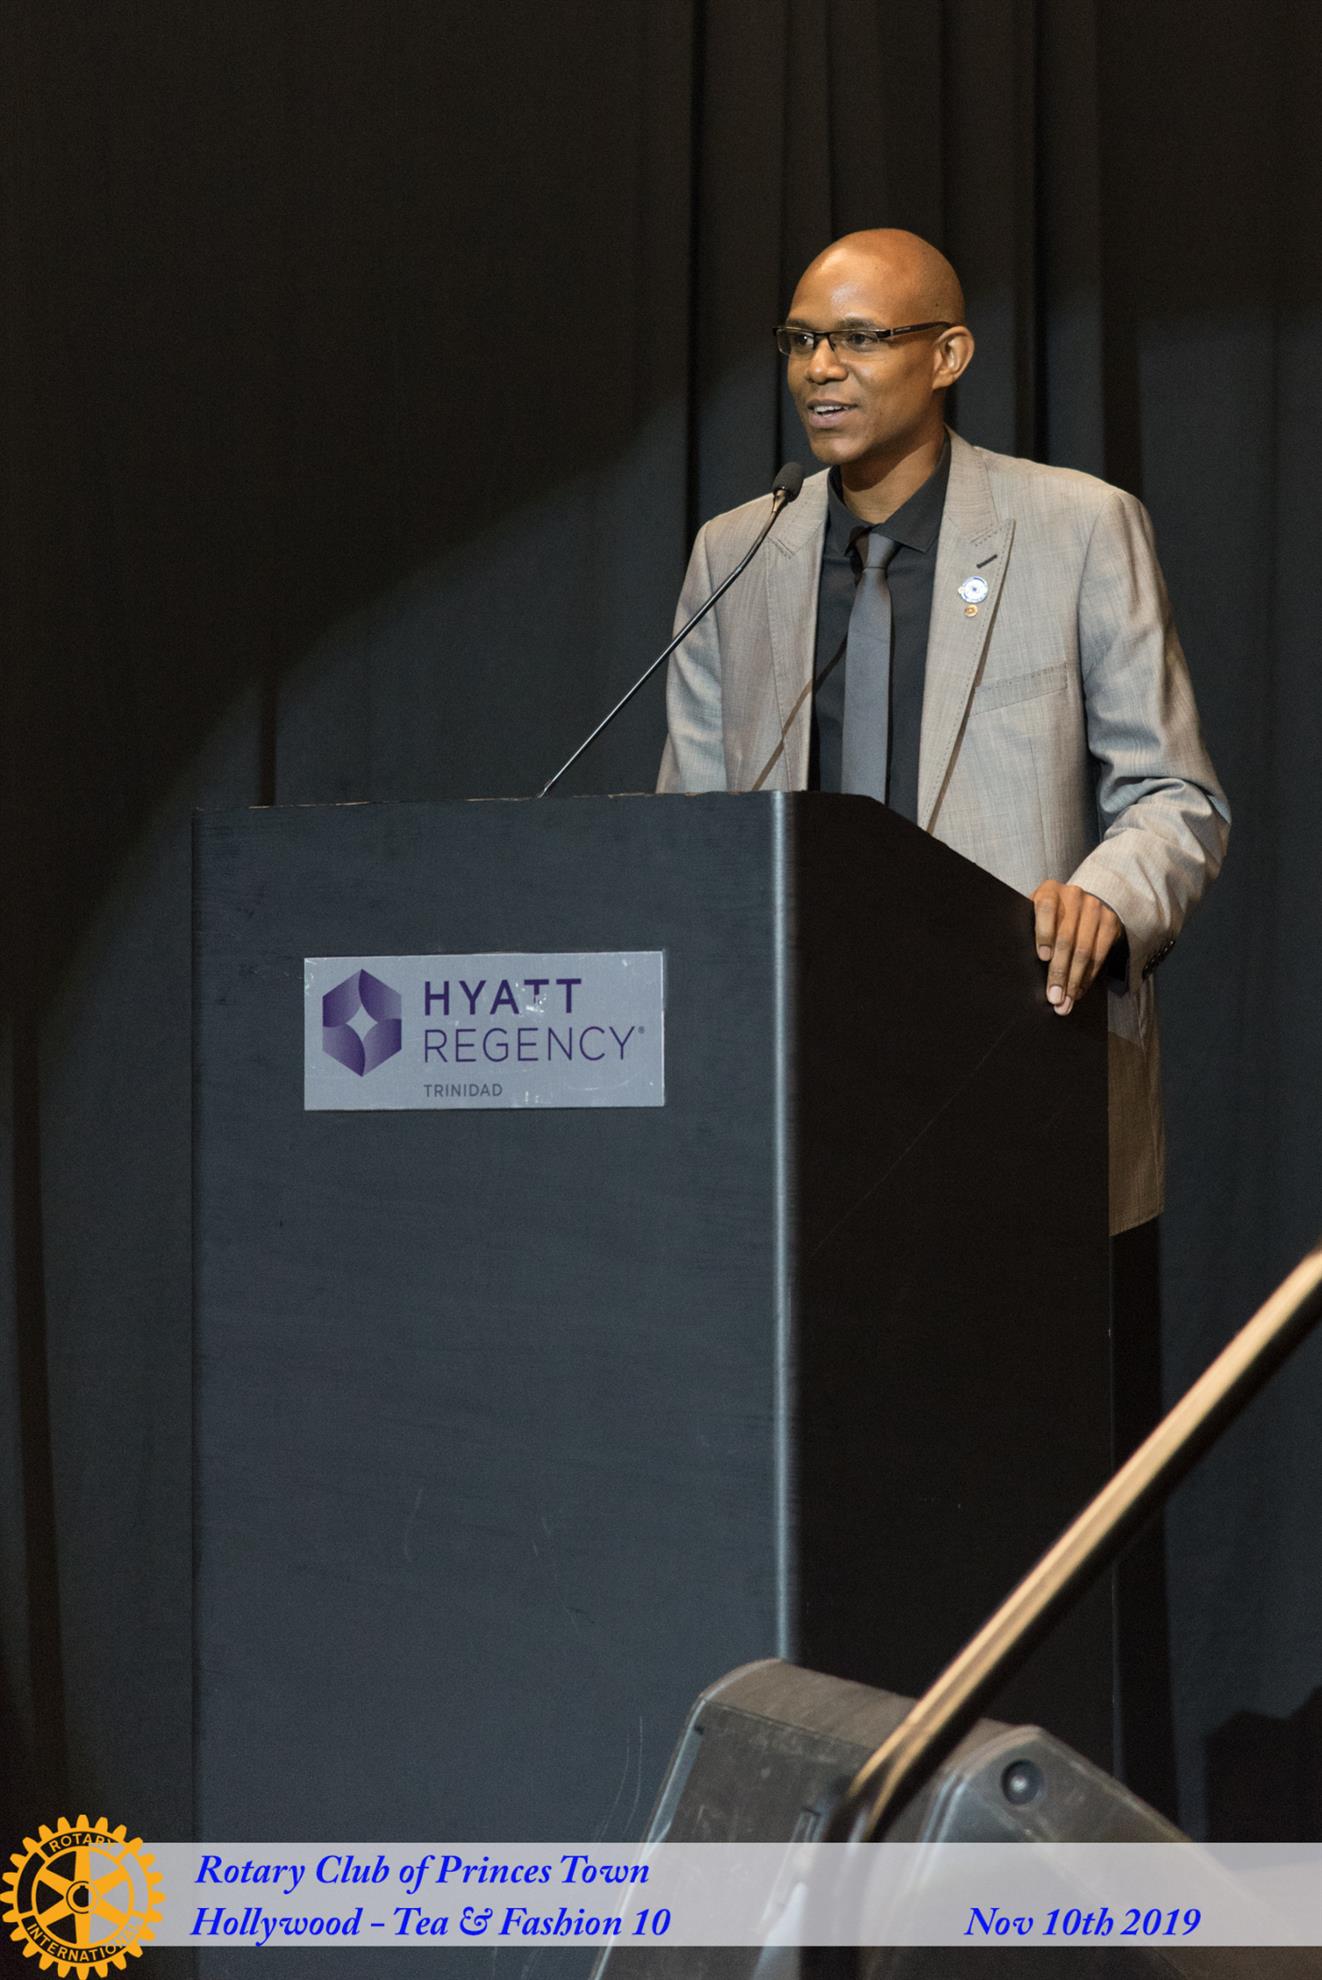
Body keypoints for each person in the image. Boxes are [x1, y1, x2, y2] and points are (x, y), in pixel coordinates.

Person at [658, 228, 1229, 1240]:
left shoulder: (1078, 528)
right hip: (792, 1083)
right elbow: (689, 834)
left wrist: (1104, 898)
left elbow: (1172, 796)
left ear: (947, 355)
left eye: (859, 338)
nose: (820, 367)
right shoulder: (737, 552)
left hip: (1016, 1063)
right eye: (800, 340)